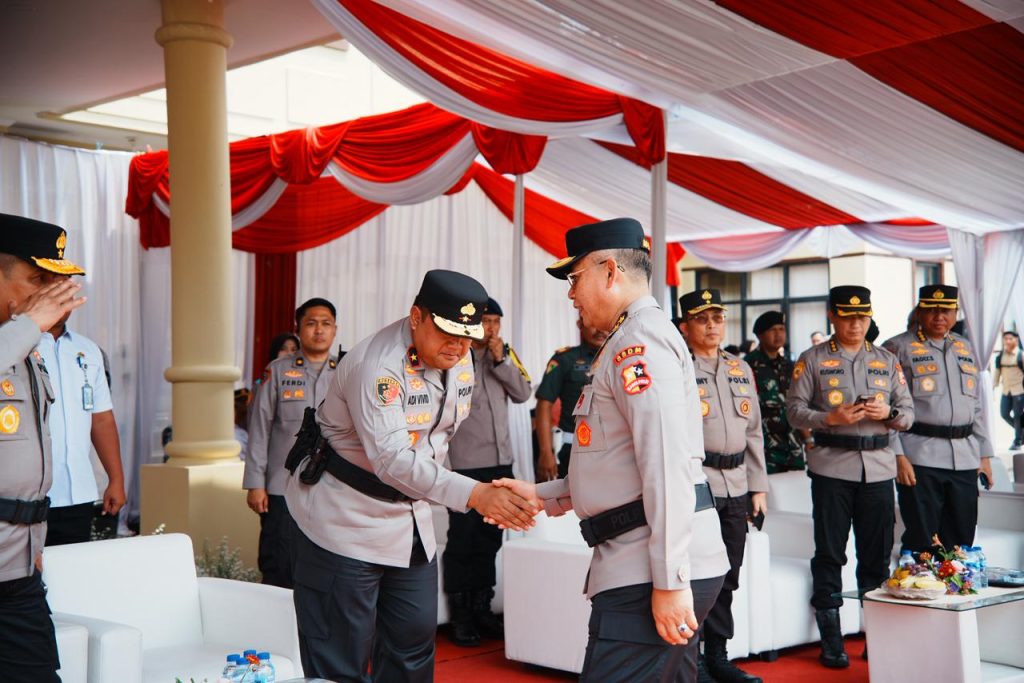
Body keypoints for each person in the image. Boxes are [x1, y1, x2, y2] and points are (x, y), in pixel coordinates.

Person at [492, 218, 730, 682]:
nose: (570, 294)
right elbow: (616, 460)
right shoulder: (629, 338)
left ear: (609, 271)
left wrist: (669, 579)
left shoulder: (639, 343)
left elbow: (666, 465)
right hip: (641, 557)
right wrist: (543, 495)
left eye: (574, 278)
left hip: (648, 567)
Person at [284, 270, 539, 682]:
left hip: (410, 524)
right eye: (447, 333)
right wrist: (475, 494)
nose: (458, 347)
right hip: (343, 522)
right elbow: (392, 461)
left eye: (467, 337)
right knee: (339, 662)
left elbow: (439, 438)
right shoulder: (377, 366)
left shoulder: (460, 360)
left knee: (412, 651)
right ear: (416, 317)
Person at [787, 286, 914, 669]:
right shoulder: (811, 359)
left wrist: (889, 413)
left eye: (862, 317)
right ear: (832, 316)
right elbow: (793, 411)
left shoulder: (886, 360)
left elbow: (908, 414)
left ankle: (877, 637)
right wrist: (829, 417)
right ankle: (832, 640)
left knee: (876, 557)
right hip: (832, 468)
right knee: (830, 553)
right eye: (847, 316)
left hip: (878, 468)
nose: (856, 324)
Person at [0, 213, 87, 682]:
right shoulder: (21, 336)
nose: (50, 294)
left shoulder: (27, 351)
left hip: (18, 569)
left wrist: (34, 540)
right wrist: (29, 324)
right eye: (38, 279)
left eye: (56, 282)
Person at [678, 289, 767, 683]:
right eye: (702, 319)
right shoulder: (677, 366)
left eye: (717, 318)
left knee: (728, 573)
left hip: (736, 484)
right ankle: (691, 659)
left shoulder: (739, 367)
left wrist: (758, 487)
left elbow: (755, 433)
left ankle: (717, 656)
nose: (712, 325)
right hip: (698, 483)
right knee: (696, 574)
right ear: (685, 326)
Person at [443, 297, 532, 647]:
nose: (491, 328)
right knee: (462, 540)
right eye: (486, 322)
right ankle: (461, 614)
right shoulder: (455, 355)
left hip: (500, 463)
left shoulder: (505, 355)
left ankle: (483, 607)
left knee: (490, 539)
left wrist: (500, 360)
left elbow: (523, 392)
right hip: (465, 464)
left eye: (496, 321)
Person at [883, 285, 994, 554]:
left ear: (955, 313)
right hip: (920, 457)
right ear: (919, 312)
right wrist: (898, 456)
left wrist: (984, 455)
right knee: (923, 542)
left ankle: (955, 583)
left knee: (961, 542)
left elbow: (975, 406)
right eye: (931, 310)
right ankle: (921, 582)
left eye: (946, 310)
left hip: (965, 458)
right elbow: (887, 408)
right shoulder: (897, 348)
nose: (939, 316)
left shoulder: (965, 347)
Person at [243, 298, 339, 588]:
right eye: (311, 323)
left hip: (333, 488)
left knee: (326, 566)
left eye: (326, 324)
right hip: (281, 486)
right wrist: (255, 483)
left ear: (335, 330)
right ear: (297, 330)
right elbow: (259, 428)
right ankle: (275, 619)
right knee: (279, 565)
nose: (319, 330)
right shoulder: (278, 371)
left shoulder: (347, 371)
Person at [39, 310, 125, 545]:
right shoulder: (13, 346)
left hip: (77, 495)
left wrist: (116, 479)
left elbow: (102, 419)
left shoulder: (88, 349)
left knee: (71, 565)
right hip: (23, 498)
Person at [535, 317, 608, 480]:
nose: (600, 331)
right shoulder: (564, 359)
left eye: (603, 324)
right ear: (580, 325)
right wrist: (546, 452)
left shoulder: (621, 358)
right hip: (574, 448)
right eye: (593, 324)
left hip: (614, 449)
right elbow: (544, 404)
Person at [744, 311, 807, 473]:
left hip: (793, 446)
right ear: (760, 335)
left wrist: (808, 439)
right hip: (765, 448)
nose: (778, 334)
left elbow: (799, 403)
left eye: (781, 329)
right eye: (773, 330)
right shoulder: (747, 366)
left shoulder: (790, 366)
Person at [994, 330, 1023, 450]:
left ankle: (1018, 441)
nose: (1007, 341)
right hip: (1006, 390)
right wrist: (993, 385)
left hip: (1019, 391)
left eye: (1010, 338)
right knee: (1004, 414)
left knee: (1018, 416)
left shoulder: (1021, 355)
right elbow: (997, 371)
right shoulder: (1001, 355)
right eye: (1005, 339)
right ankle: (1021, 432)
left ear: (1016, 340)